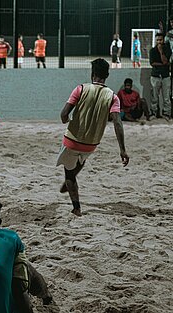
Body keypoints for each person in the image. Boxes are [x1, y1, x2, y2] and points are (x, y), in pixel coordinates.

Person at [58, 59, 129, 216]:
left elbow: (64, 115)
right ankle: (72, 179)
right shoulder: (112, 97)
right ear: (107, 75)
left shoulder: (81, 89)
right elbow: (118, 123)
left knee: (69, 175)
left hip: (72, 140)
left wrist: (67, 121)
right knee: (81, 159)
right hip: (91, 144)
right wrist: (122, 150)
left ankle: (76, 207)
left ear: (92, 74)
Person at [149, 32, 172, 120]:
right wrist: (163, 64)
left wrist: (161, 52)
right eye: (157, 40)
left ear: (163, 40)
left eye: (161, 40)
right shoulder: (152, 50)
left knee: (166, 96)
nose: (159, 42)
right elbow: (152, 63)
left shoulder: (167, 49)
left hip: (165, 76)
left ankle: (166, 113)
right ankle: (154, 112)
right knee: (154, 96)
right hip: (155, 75)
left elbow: (165, 61)